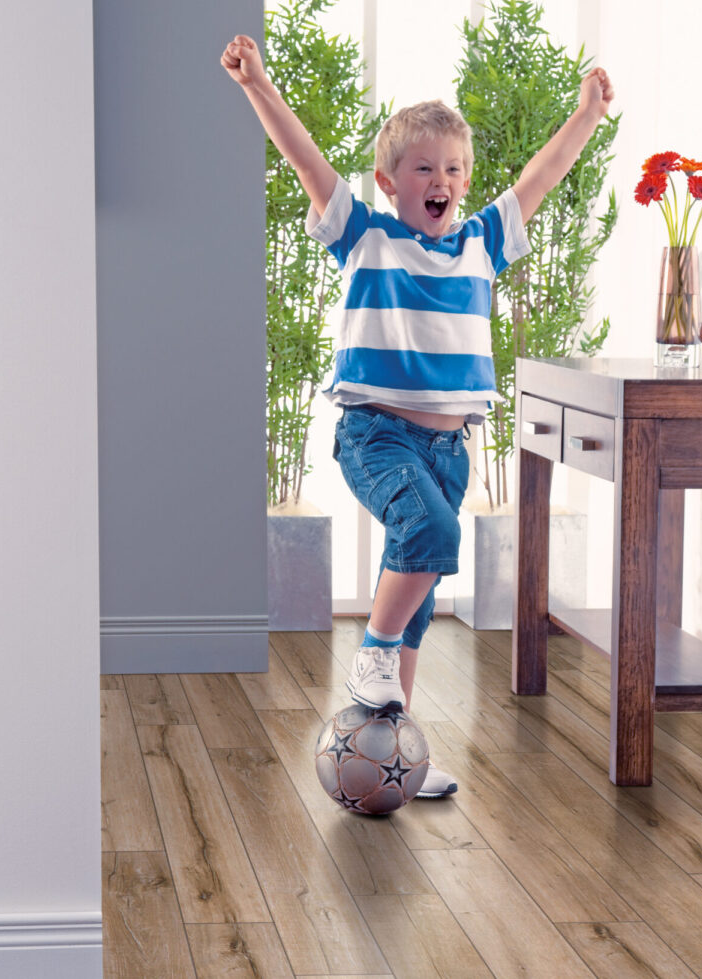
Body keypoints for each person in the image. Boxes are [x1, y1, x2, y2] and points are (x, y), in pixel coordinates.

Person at [222, 33, 614, 798]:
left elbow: (546, 172)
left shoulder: (481, 244)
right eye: (425, 168)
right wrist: (257, 86)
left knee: (422, 602)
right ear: (389, 180)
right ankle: (370, 653)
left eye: (455, 169)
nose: (443, 180)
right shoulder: (366, 237)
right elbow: (304, 160)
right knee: (431, 535)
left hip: (449, 448)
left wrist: (588, 115)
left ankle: (391, 750)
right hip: (376, 432)